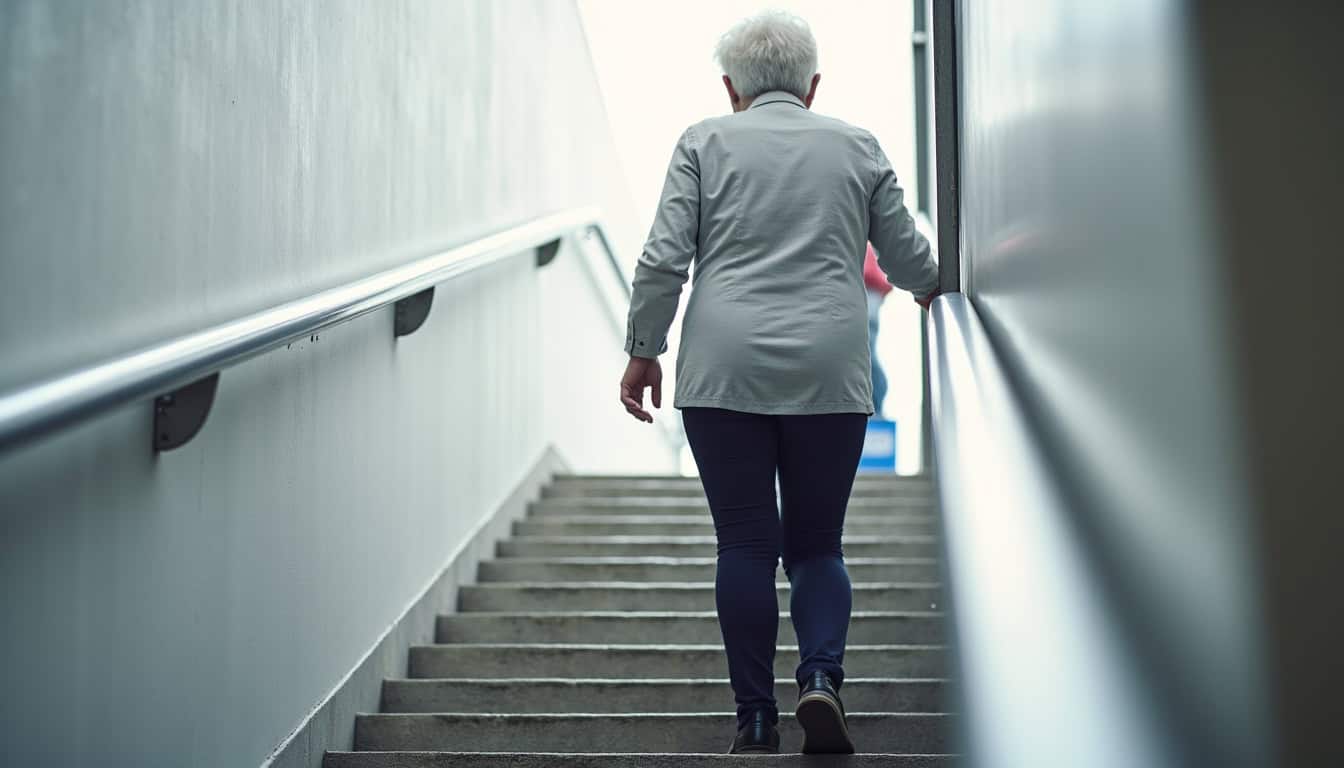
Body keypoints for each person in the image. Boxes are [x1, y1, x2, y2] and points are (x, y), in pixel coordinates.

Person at [617, 9, 939, 755]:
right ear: (813, 85)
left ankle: (755, 715)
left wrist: (643, 349)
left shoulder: (703, 142)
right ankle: (821, 680)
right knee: (818, 543)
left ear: (731, 87)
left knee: (745, 544)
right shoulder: (857, 146)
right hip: (829, 368)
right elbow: (908, 256)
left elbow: (664, 259)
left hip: (723, 372)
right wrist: (930, 286)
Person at [863, 243, 895, 417]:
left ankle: (876, 405)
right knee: (866, 350)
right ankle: (876, 406)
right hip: (870, 291)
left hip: (866, 290)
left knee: (864, 350)